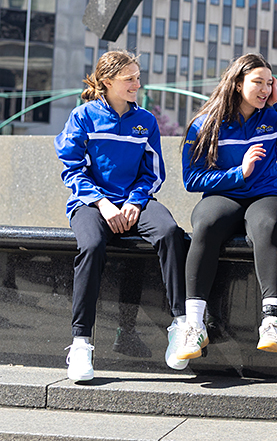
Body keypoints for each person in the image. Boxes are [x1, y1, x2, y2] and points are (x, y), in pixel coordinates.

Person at [55, 50, 187, 382]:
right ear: (107, 82)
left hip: (135, 202)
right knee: (92, 245)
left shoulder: (146, 120)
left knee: (171, 232)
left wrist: (135, 201)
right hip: (91, 204)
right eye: (129, 79)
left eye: (137, 77)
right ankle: (81, 342)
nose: (136, 84)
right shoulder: (83, 117)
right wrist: (103, 204)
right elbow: (72, 171)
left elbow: (153, 172)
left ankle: (181, 325)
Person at [176, 53, 277, 363]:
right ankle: (194, 324)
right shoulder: (205, 123)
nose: (264, 89)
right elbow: (192, 178)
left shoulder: (272, 117)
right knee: (205, 224)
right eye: (257, 83)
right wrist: (240, 173)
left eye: (269, 83)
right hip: (225, 195)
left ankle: (272, 320)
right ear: (237, 84)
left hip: (267, 195)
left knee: (265, 225)